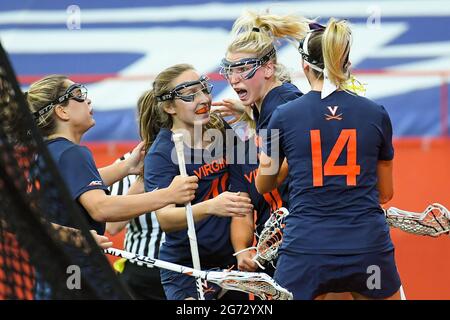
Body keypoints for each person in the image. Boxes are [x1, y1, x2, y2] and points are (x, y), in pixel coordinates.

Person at [255, 19, 402, 300]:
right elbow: (385, 194)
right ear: (345, 64)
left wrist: (296, 162)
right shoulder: (376, 113)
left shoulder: (283, 117)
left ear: (305, 67)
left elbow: (264, 185)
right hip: (366, 245)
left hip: (307, 248)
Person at [26, 75, 199, 298]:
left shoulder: (48, 152)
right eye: (79, 95)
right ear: (62, 111)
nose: (88, 101)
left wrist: (126, 167)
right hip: (74, 270)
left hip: (52, 269)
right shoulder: (73, 153)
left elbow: (76, 184)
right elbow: (101, 208)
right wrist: (168, 195)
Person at [140, 64, 254, 300]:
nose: (203, 99)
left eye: (204, 89)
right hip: (187, 267)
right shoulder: (161, 154)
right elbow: (166, 219)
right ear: (169, 106)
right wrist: (212, 206)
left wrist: (251, 116)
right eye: (190, 95)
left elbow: (247, 176)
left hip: (231, 263)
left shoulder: (219, 129)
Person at [213, 10, 307, 273]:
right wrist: (250, 113)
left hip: (298, 231)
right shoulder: (270, 104)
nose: (234, 79)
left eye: (243, 70)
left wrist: (267, 176)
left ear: (268, 68)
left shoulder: (281, 102)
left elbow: (303, 155)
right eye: (230, 71)